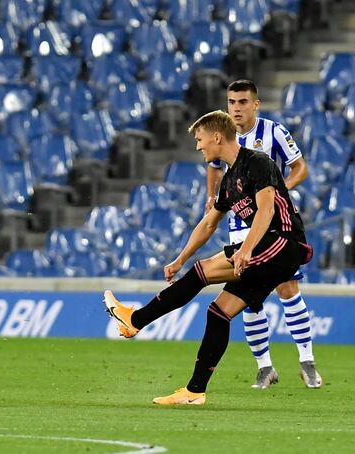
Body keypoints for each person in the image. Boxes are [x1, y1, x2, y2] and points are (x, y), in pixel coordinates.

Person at [103, 110, 313, 405]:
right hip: (267, 251)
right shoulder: (229, 180)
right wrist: (179, 259)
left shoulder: (257, 162)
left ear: (217, 137)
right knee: (218, 312)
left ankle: (135, 319)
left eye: (200, 139)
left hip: (283, 243)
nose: (198, 146)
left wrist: (246, 249)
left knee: (203, 271)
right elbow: (208, 224)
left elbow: (267, 210)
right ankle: (195, 391)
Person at [206, 80, 321, 389]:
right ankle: (264, 367)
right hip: (240, 225)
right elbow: (214, 167)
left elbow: (300, 168)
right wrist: (211, 198)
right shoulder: (224, 136)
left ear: (255, 104)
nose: (236, 108)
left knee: (287, 287)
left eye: (243, 102)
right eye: (232, 102)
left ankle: (307, 361)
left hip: (274, 225)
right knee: (248, 298)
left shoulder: (274, 132)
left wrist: (280, 190)